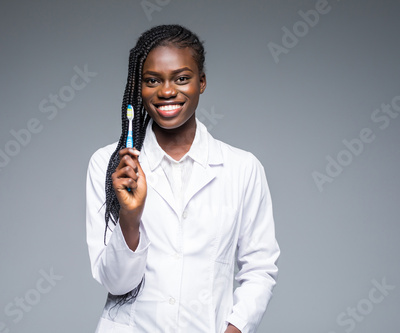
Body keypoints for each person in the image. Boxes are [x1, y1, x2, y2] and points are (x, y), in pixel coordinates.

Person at [86, 24, 280, 333]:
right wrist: (130, 217)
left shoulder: (242, 168)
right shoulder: (111, 165)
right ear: (139, 86)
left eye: (181, 78)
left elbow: (259, 269)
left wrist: (235, 329)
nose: (166, 91)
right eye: (152, 80)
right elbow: (116, 282)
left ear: (201, 82)